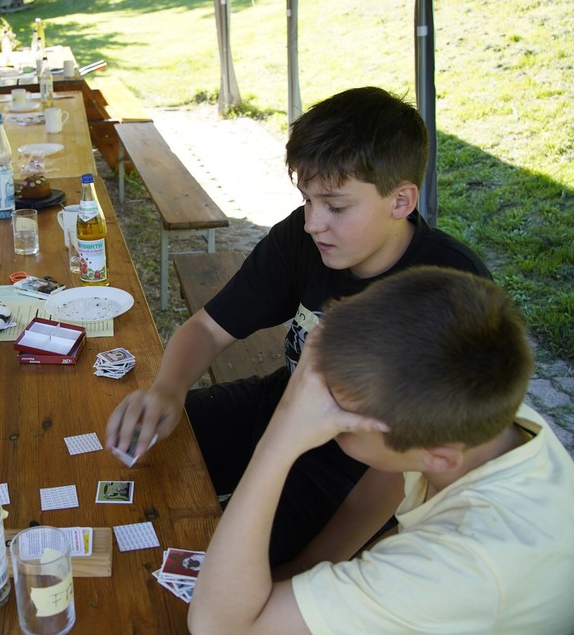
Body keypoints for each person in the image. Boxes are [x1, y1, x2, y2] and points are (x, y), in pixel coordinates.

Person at [106, 86, 492, 564]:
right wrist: (168, 389)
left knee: (240, 569)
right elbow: (209, 327)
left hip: (355, 463)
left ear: (401, 201)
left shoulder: (449, 288)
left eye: (335, 206)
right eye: (307, 200)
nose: (313, 223)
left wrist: (308, 568)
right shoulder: (303, 237)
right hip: (280, 404)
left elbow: (399, 471)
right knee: (142, 453)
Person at [187, 266, 574, 634]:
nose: (317, 414)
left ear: (438, 456)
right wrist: (304, 572)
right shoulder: (476, 417)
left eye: (342, 420)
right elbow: (393, 477)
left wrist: (280, 439)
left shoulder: (459, 564)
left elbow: (218, 626)